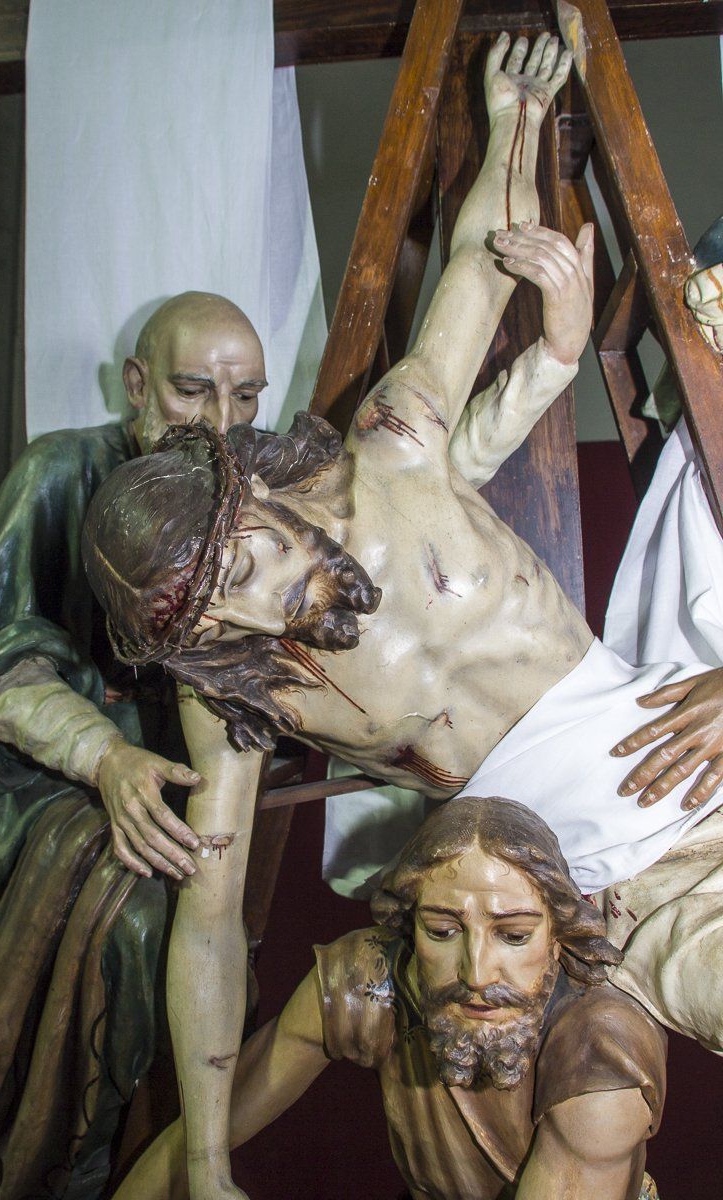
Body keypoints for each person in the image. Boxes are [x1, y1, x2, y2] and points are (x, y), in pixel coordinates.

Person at [82, 33, 723, 1199]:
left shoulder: (393, 449)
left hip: (697, 775)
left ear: (251, 488)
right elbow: (209, 923)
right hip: (612, 906)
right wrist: (211, 1162)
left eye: (258, 562)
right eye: (228, 615)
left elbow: (473, 269)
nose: (269, 608)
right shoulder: (241, 691)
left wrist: (510, 117)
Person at [0, 292, 273, 1199]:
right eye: (194, 391)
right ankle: (65, 1165)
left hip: (195, 795)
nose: (221, 425)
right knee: (140, 928)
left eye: (245, 398)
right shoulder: (58, 473)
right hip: (58, 788)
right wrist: (105, 758)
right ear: (136, 385)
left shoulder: (257, 501)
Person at [112, 797, 666, 1200]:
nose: (476, 973)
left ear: (559, 936)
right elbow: (202, 1137)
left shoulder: (600, 1054)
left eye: (514, 935)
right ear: (408, 929)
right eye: (442, 931)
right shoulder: (372, 982)